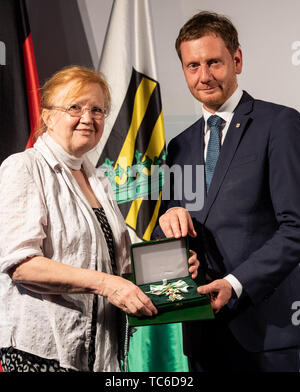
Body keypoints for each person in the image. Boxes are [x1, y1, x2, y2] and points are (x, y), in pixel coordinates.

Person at [0, 65, 189, 372]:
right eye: (74, 107)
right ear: (47, 115)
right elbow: (22, 265)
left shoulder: (97, 180)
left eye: (98, 109)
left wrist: (175, 268)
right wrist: (106, 285)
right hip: (43, 355)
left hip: (101, 354)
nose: (87, 118)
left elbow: (121, 264)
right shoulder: (24, 167)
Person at [155, 11, 300, 372]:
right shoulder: (179, 146)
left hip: (267, 332)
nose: (203, 76)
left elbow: (295, 228)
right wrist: (167, 227)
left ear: (236, 60)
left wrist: (235, 284)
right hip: (203, 336)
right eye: (192, 66)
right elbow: (174, 236)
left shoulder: (279, 124)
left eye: (213, 62)